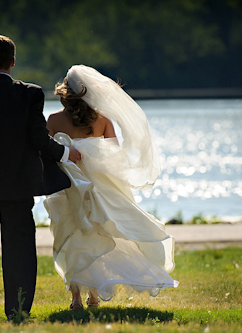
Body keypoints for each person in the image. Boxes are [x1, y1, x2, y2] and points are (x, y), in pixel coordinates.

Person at [0, 35, 81, 318]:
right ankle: (18, 307)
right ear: (13, 62)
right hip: (19, 185)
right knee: (19, 245)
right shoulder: (30, 93)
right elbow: (37, 137)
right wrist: (65, 154)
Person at [45, 65, 178, 310]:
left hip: (68, 188)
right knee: (97, 236)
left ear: (66, 92)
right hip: (99, 190)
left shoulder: (53, 120)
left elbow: (48, 155)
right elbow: (113, 156)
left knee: (72, 237)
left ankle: (76, 298)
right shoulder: (103, 119)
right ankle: (93, 296)